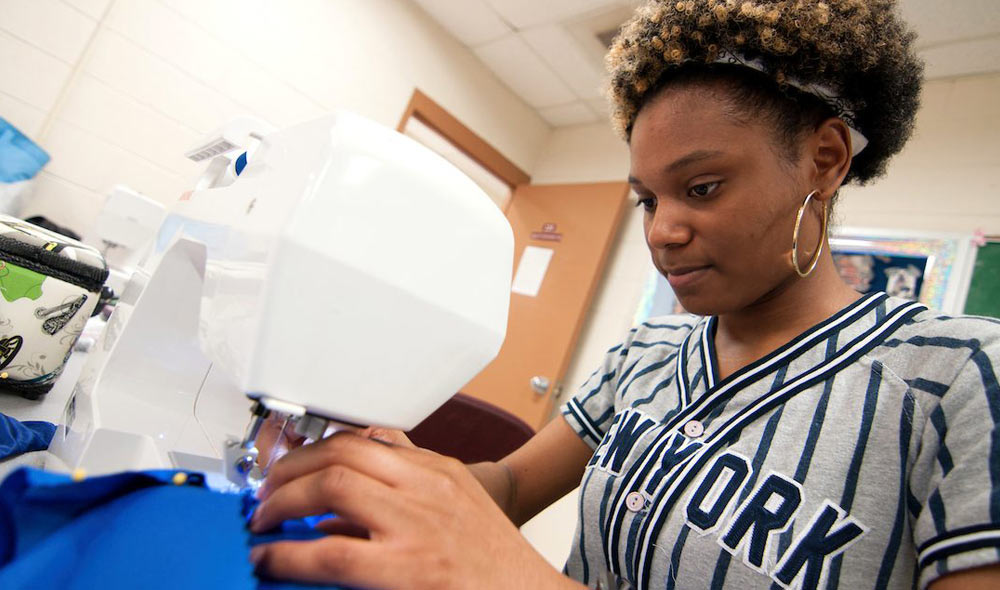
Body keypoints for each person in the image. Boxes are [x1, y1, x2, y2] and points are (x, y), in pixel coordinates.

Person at [247, 1, 1000, 588]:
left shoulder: (960, 380)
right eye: (646, 200)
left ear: (825, 160)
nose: (663, 231)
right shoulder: (647, 355)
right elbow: (508, 484)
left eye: (701, 188)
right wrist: (402, 474)